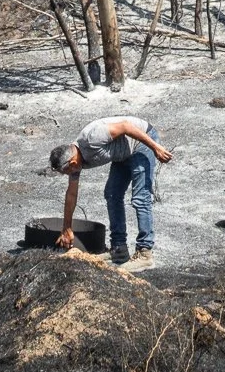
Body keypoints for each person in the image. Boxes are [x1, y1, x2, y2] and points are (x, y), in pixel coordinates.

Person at [49, 115, 172, 270]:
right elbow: (71, 194)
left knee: (141, 198)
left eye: (66, 172)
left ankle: (145, 253)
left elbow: (126, 126)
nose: (68, 175)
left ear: (72, 163)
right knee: (112, 194)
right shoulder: (74, 161)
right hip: (122, 153)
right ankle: (119, 250)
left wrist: (156, 147)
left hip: (142, 142)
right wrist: (66, 228)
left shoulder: (92, 138)